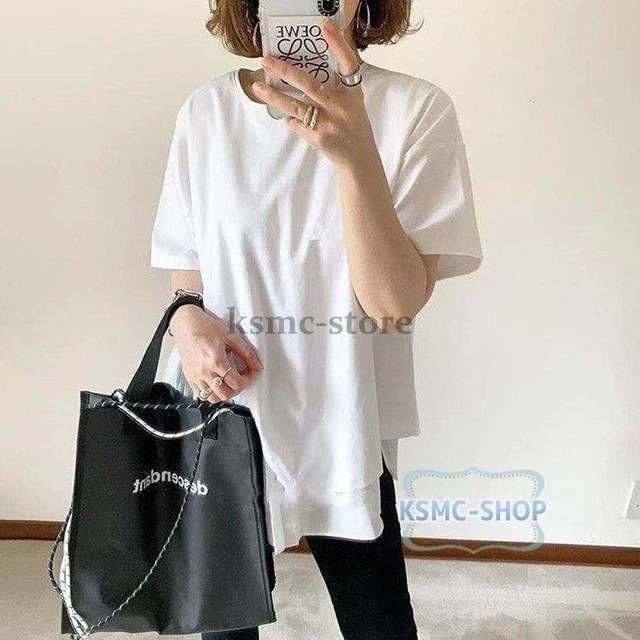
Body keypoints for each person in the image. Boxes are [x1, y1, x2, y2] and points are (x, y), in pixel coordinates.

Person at [150, 1, 483, 638]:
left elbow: (393, 305)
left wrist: (356, 157)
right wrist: (186, 324)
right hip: (225, 406)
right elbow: (187, 271)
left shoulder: (416, 110)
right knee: (223, 623)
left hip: (346, 415)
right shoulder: (206, 112)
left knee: (377, 621)